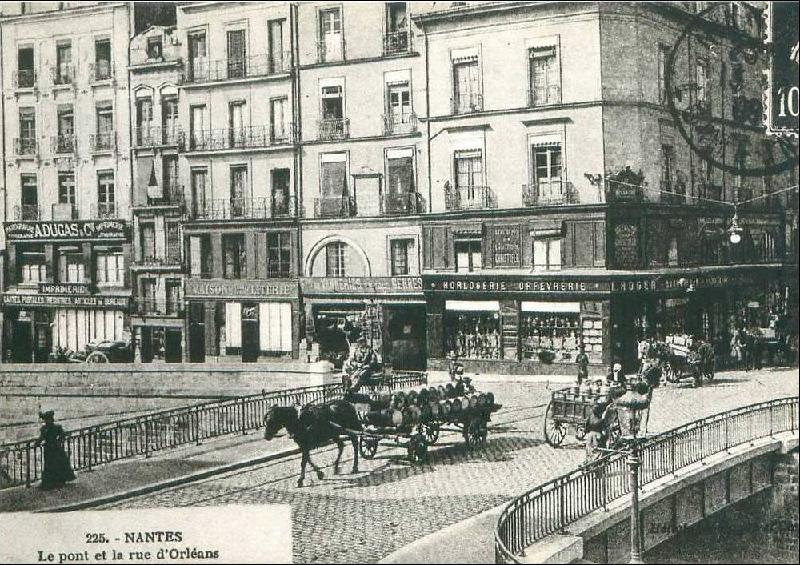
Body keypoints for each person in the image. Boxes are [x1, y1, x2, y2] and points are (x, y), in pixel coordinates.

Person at [34, 411, 75, 490]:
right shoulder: (44, 428)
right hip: (49, 449)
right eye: (46, 420)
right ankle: (50, 482)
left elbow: (63, 435)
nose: (47, 421)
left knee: (57, 464)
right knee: (49, 465)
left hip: (56, 448)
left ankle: (58, 481)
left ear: (51, 419)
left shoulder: (57, 427)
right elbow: (41, 438)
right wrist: (36, 444)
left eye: (48, 419)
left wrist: (58, 442)